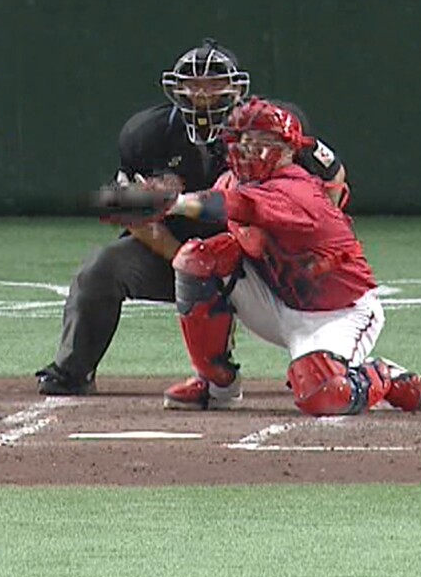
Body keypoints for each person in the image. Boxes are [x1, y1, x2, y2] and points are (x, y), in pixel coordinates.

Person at [35, 41, 348, 397]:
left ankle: (318, 363)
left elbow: (333, 179)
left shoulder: (272, 124)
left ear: (236, 89)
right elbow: (134, 216)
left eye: (214, 84)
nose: (202, 94)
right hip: (176, 247)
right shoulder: (147, 134)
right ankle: (73, 371)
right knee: (101, 268)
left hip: (260, 256)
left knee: (323, 274)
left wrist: (307, 244)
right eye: (193, 84)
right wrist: (191, 267)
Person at [153, 98, 421, 417]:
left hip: (339, 311)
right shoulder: (231, 181)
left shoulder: (297, 188)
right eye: (244, 140)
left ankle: (386, 377)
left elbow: (235, 205)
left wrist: (173, 202)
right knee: (197, 258)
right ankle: (216, 385)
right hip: (279, 298)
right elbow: (224, 204)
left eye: (262, 141)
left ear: (288, 150)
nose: (249, 149)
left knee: (324, 394)